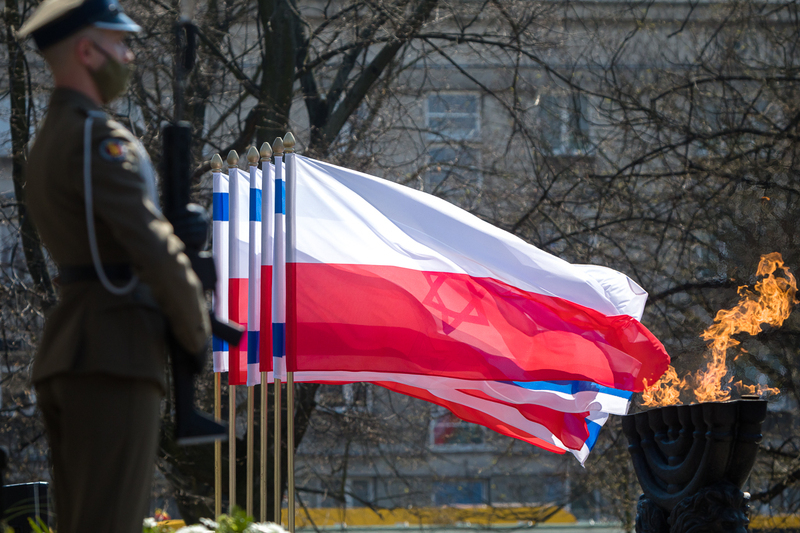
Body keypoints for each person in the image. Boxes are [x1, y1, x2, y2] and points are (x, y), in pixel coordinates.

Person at [18, 1, 211, 532]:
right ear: (87, 50)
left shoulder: (52, 138)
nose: (128, 56)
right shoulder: (98, 138)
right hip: (114, 353)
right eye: (120, 44)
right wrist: (196, 333)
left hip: (76, 349)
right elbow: (150, 247)